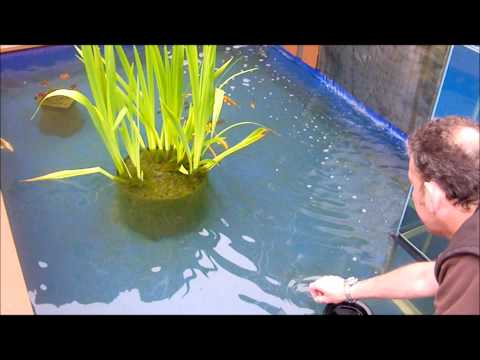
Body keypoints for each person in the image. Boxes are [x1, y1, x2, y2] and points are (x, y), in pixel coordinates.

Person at [309, 116, 479, 315]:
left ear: (433, 197)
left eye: (413, 185)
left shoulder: (472, 266)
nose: (413, 194)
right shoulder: (465, 254)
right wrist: (348, 291)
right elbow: (427, 277)